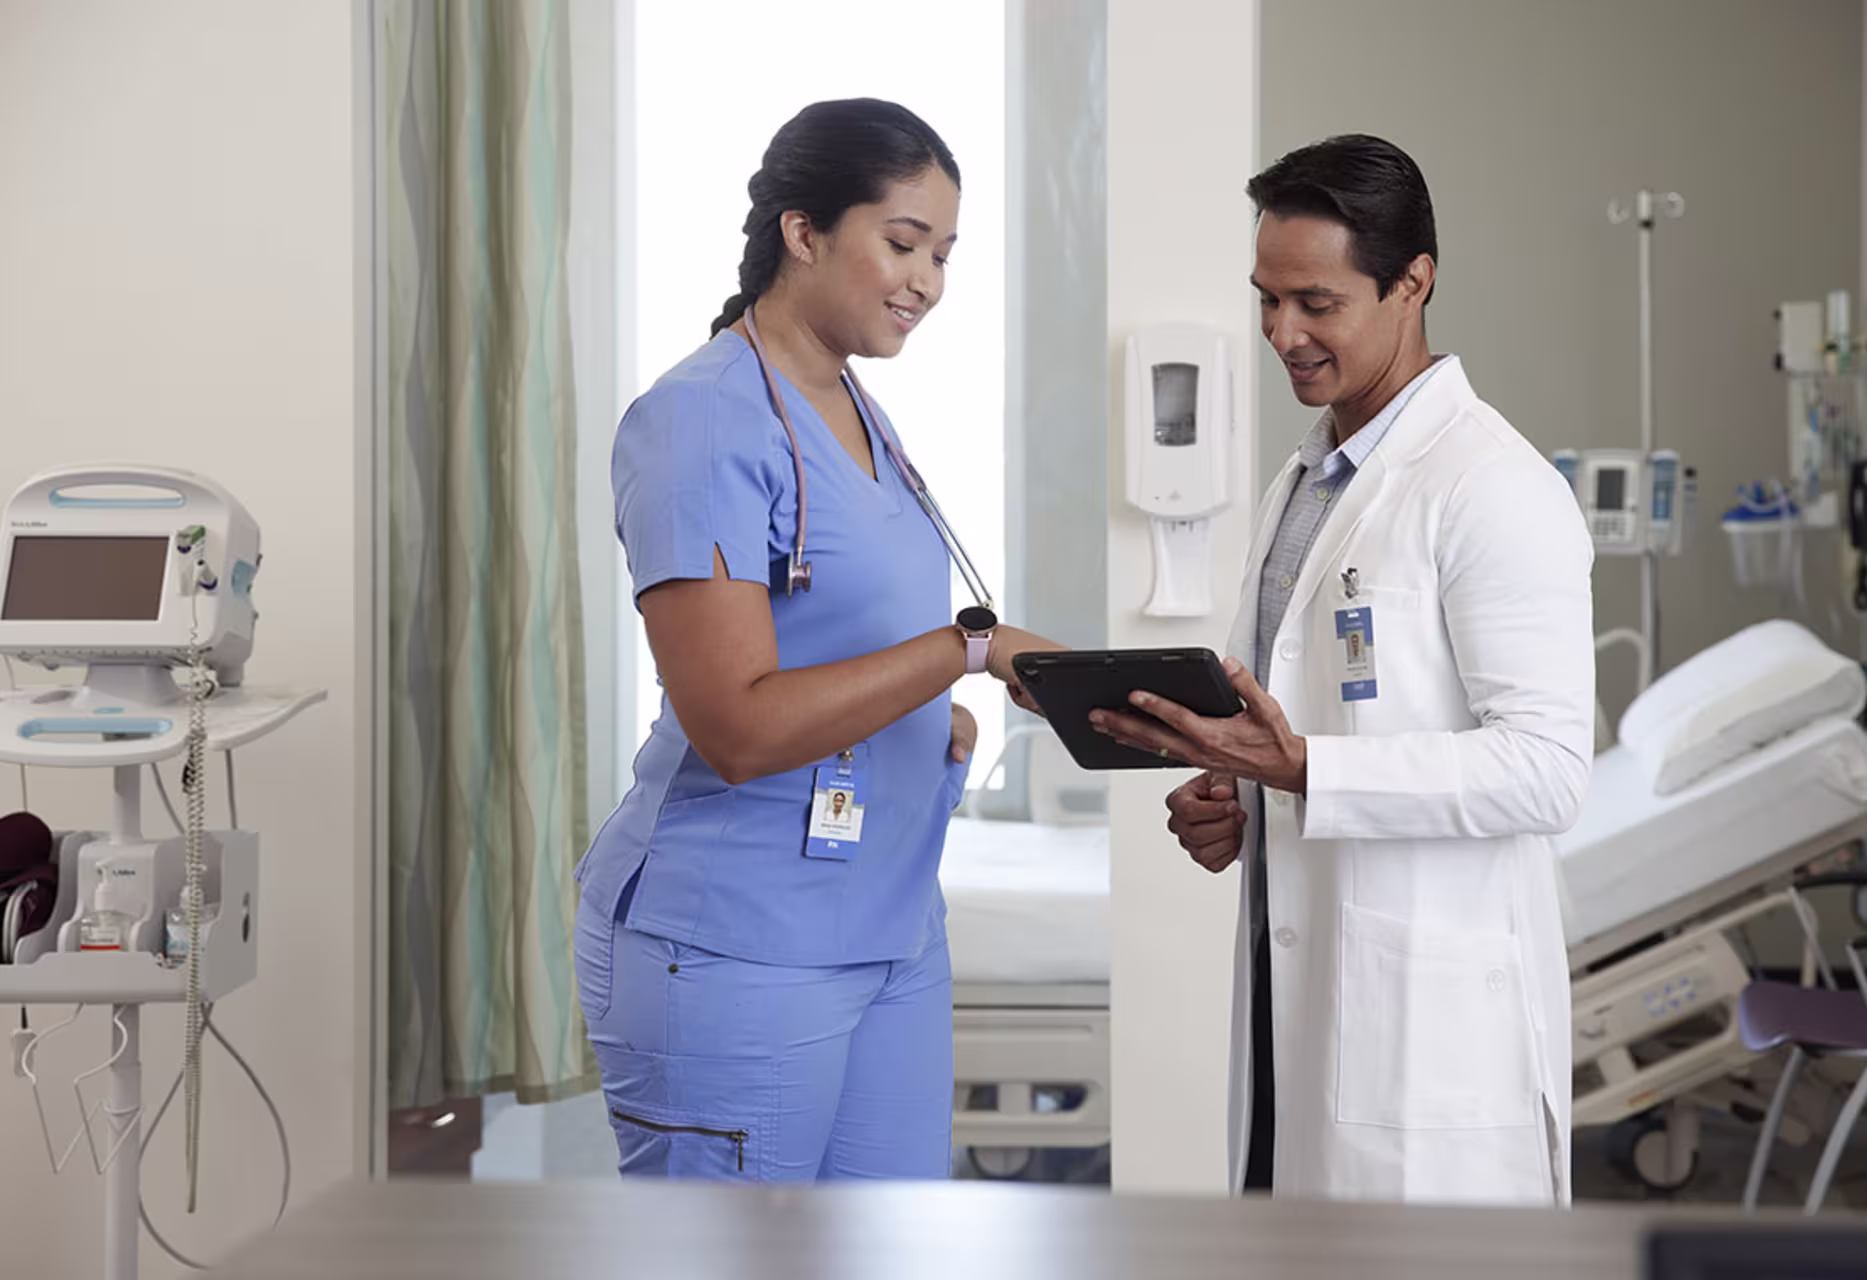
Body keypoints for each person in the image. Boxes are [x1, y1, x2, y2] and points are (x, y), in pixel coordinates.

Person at [1092, 135, 1594, 1204]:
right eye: (1268, 300)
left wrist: (1305, 770)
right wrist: (1232, 795)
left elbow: (1549, 768)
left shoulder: (1491, 485)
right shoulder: (1303, 483)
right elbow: (1298, 729)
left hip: (1428, 1040)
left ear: (1413, 284)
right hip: (1296, 998)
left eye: (1317, 302)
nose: (1283, 333)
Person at [573, 98, 1053, 1183]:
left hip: (888, 930)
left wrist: (932, 726)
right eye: (900, 242)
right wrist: (963, 653)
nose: (926, 279)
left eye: (943, 253)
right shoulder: (701, 421)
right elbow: (738, 723)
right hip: (738, 946)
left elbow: (849, 635)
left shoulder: (850, 402)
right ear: (803, 231)